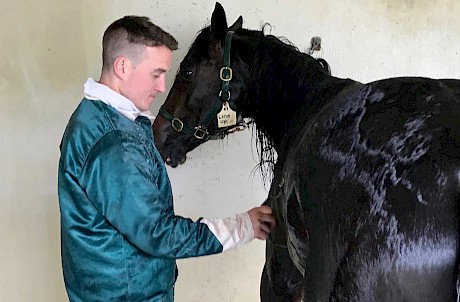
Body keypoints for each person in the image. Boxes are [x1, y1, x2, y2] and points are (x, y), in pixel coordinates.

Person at [58, 15, 276, 302]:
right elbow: (158, 233)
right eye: (156, 74)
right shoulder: (114, 144)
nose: (162, 87)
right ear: (122, 66)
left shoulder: (100, 117)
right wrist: (243, 226)